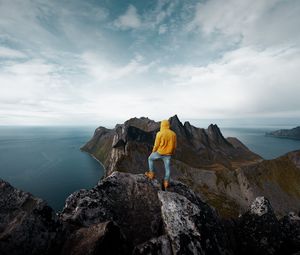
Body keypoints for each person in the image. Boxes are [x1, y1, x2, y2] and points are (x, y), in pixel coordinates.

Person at [145, 119, 177, 189]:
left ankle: (151, 174)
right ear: (168, 125)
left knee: (150, 158)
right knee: (167, 168)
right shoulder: (173, 134)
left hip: (160, 153)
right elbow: (175, 145)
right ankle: (166, 182)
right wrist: (173, 151)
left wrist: (153, 151)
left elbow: (156, 145)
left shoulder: (159, 133)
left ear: (162, 125)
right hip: (168, 154)